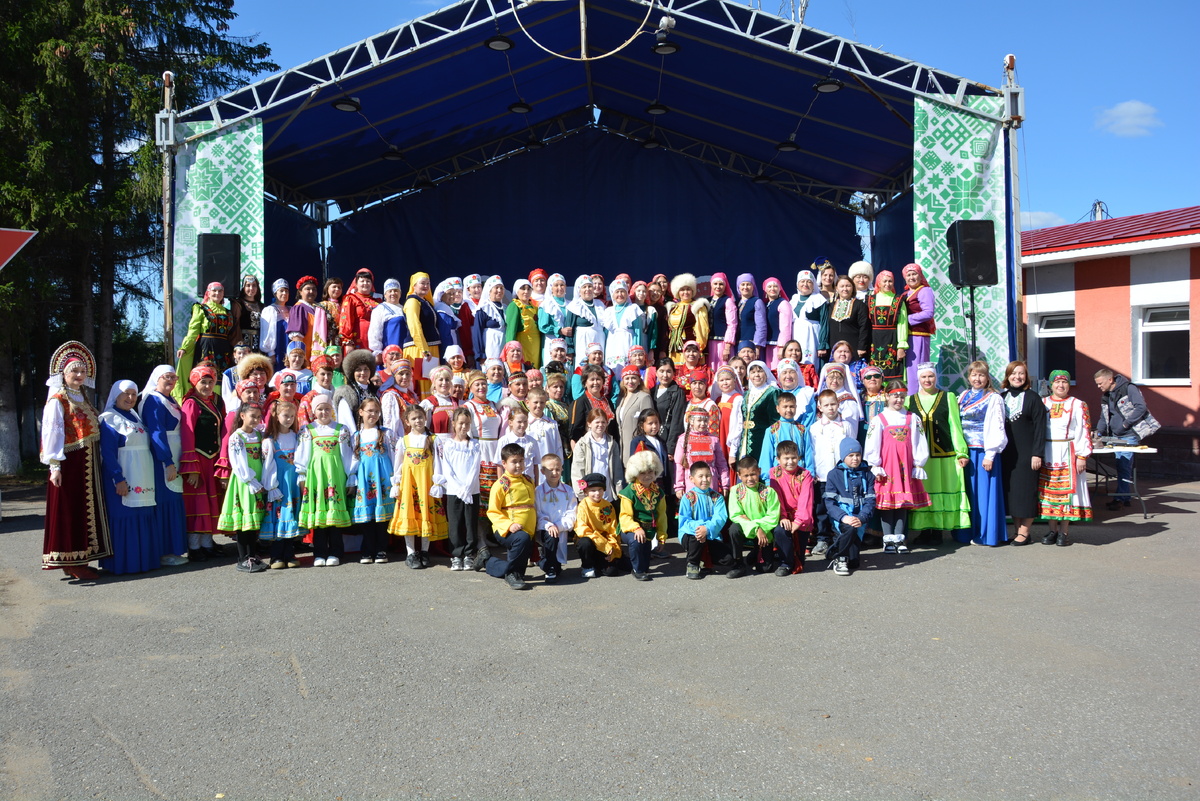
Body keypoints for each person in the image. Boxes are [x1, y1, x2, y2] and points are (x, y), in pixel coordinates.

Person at [40, 342, 112, 579]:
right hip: (70, 463)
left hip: (87, 463)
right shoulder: (58, 400)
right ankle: (72, 560)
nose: (79, 375)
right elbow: (52, 434)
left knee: (83, 510)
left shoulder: (82, 396)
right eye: (75, 371)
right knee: (71, 509)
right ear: (63, 373)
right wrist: (55, 466)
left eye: (83, 371)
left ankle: (79, 559)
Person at [97, 380, 158, 575]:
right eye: (126, 394)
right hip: (123, 476)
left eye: (133, 394)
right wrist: (118, 478)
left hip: (143, 475)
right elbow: (108, 453)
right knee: (124, 517)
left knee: (142, 515)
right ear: (116, 395)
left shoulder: (135, 416)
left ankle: (143, 562)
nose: (131, 398)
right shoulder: (109, 418)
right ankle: (124, 564)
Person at [906, 363, 970, 544]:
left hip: (944, 456)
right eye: (924, 377)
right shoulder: (909, 401)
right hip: (920, 458)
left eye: (931, 376)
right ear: (918, 379)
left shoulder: (948, 397)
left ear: (936, 377)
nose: (927, 380)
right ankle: (925, 531)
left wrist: (961, 452)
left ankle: (938, 531)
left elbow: (954, 426)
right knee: (924, 491)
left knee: (940, 491)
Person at [864, 382, 930, 554]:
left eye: (902, 396)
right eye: (895, 396)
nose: (899, 400)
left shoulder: (912, 418)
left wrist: (918, 463)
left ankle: (900, 538)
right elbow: (872, 443)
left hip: (905, 467)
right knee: (887, 504)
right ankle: (888, 539)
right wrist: (875, 465)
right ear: (887, 396)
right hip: (887, 468)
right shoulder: (879, 419)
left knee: (902, 503)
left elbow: (919, 441)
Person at [138, 366, 189, 566]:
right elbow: (157, 433)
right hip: (163, 458)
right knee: (166, 501)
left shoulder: (169, 400)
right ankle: (165, 552)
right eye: (167, 377)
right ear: (157, 378)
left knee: (174, 500)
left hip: (174, 453)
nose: (171, 380)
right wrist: (167, 461)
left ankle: (174, 549)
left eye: (174, 377)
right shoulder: (153, 400)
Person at [296, 394, 356, 566]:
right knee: (319, 516)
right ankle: (320, 553)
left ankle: (335, 552)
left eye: (327, 409)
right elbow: (303, 455)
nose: (324, 412)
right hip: (316, 477)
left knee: (333, 515)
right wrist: (302, 477)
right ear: (314, 411)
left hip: (335, 477)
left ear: (332, 410)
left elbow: (347, 456)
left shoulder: (341, 430)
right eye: (320, 409)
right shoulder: (308, 430)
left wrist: (350, 477)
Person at [217, 402, 272, 573]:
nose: (256, 420)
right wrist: (252, 482)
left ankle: (252, 556)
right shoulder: (237, 437)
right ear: (242, 416)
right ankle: (243, 558)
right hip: (245, 482)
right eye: (252, 416)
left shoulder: (258, 435)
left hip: (258, 480)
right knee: (244, 522)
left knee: (253, 523)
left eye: (258, 417)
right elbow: (238, 463)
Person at [958, 361, 1009, 546]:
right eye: (974, 375)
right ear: (969, 377)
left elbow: (997, 426)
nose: (977, 379)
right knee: (968, 493)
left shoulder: (993, 398)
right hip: (966, 452)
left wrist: (990, 454)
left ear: (987, 378)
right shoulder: (963, 395)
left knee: (984, 494)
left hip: (983, 452)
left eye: (981, 375)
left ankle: (986, 533)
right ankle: (967, 532)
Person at [389, 405, 447, 567]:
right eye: (414, 418)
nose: (418, 421)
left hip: (426, 484)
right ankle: (411, 553)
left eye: (420, 417)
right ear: (407, 421)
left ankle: (424, 551)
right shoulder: (403, 441)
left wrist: (437, 483)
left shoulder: (434, 439)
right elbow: (398, 464)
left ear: (425, 418)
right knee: (410, 515)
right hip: (409, 485)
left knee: (426, 515)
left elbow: (438, 462)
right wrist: (396, 483)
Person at [1039, 370, 1092, 544]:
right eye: (1057, 382)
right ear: (1051, 385)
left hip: (1068, 452)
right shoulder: (1043, 403)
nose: (1060, 385)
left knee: (1068, 493)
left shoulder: (1077, 404)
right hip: (1047, 451)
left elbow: (1083, 430)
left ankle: (1064, 532)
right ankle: (1052, 530)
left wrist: (1082, 456)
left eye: (1064, 382)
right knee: (1048, 493)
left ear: (1069, 385)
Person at [180, 364, 226, 561]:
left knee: (209, 501)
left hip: (212, 459)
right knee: (197, 503)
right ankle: (194, 546)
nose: (207, 386)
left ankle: (207, 543)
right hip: (198, 459)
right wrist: (191, 466)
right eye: (203, 382)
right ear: (194, 383)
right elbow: (187, 434)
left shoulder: (215, 401)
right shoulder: (191, 403)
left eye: (210, 382)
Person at [999, 361, 1046, 545]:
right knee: (1013, 495)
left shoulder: (1033, 398)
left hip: (1027, 455)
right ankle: (1017, 531)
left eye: (1021, 373)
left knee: (1026, 493)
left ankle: (1025, 532)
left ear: (1026, 377)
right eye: (1013, 373)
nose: (1017, 377)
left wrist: (1037, 453)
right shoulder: (1001, 397)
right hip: (1007, 455)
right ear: (1008, 376)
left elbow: (1040, 428)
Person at [1093, 367, 1153, 511]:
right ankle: (1125, 497)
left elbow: (1141, 407)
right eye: (1097, 384)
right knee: (1121, 467)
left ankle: (1120, 498)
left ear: (1110, 379)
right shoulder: (1106, 395)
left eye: (1100, 383)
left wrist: (1126, 423)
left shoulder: (1129, 388)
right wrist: (1098, 432)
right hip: (1115, 436)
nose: (1098, 386)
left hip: (1129, 435)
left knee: (1124, 466)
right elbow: (1104, 417)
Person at [434, 408, 482, 571]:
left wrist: (467, 488)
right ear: (454, 424)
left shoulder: (475, 444)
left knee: (470, 523)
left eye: (467, 423)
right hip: (454, 490)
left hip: (472, 490)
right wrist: (460, 488)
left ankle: (469, 554)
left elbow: (475, 468)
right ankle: (456, 555)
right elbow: (447, 469)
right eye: (461, 423)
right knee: (455, 524)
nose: (464, 427)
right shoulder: (449, 445)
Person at [484, 443, 538, 589]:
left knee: (520, 559)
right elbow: (492, 511)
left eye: (521, 461)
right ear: (504, 463)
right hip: (507, 530)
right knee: (522, 539)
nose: (518, 465)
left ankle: (487, 561)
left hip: (528, 530)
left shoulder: (529, 480)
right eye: (514, 462)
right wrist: (509, 525)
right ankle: (512, 575)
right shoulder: (501, 484)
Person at [808, 388, 855, 556]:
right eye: (826, 405)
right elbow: (812, 451)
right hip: (822, 475)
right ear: (820, 407)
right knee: (821, 508)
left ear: (838, 404)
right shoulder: (814, 428)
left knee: (841, 505)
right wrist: (813, 471)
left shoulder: (846, 426)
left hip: (842, 475)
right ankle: (822, 538)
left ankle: (840, 535)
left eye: (833, 404)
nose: (830, 408)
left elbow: (851, 448)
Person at [350, 396, 396, 564]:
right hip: (365, 479)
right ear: (361, 412)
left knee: (381, 516)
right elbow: (353, 459)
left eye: (377, 411)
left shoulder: (385, 433)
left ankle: (381, 549)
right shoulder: (356, 436)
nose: (373, 414)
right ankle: (367, 549)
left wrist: (396, 480)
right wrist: (351, 479)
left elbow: (394, 456)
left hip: (382, 477)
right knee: (367, 515)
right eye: (370, 411)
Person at [823, 438, 876, 576]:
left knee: (854, 563)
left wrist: (862, 517)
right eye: (851, 455)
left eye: (858, 455)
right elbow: (829, 503)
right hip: (842, 517)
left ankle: (834, 549)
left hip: (859, 517)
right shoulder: (833, 474)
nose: (855, 458)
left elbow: (871, 501)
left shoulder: (868, 474)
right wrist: (843, 517)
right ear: (843, 457)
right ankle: (839, 558)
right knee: (849, 529)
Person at [175, 282, 236, 397]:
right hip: (207, 347)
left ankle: (220, 403)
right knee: (206, 376)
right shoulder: (201, 308)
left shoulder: (228, 312)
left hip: (224, 349)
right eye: (214, 291)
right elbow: (193, 330)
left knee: (222, 378)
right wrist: (185, 347)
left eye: (220, 291)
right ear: (208, 292)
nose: (217, 293)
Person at [261, 400, 302, 569]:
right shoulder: (270, 441)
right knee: (280, 516)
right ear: (276, 416)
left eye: (292, 416)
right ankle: (276, 555)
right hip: (279, 484)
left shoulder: (296, 437)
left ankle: (289, 553)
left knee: (291, 515)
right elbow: (268, 466)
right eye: (285, 415)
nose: (289, 419)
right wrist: (271, 486)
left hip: (293, 483)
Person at [725, 457, 783, 578]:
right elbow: (735, 515)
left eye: (753, 474)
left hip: (765, 532)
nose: (750, 479)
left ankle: (756, 552)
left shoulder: (768, 491)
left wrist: (760, 528)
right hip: (748, 529)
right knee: (734, 529)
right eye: (746, 475)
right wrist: (756, 528)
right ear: (739, 475)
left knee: (765, 568)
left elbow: (773, 516)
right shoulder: (735, 491)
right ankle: (738, 564)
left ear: (759, 471)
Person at [617, 450, 668, 581]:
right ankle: (636, 571)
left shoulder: (659, 492)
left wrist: (661, 537)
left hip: (649, 530)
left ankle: (631, 564)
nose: (647, 476)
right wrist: (636, 528)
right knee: (637, 543)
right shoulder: (628, 492)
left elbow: (661, 516)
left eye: (650, 471)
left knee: (645, 565)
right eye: (642, 473)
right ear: (635, 473)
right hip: (630, 529)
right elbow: (625, 516)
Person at [677, 461, 732, 580]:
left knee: (728, 559)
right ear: (692, 479)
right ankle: (692, 563)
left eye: (707, 476)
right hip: (692, 534)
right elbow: (685, 521)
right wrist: (701, 528)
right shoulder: (688, 497)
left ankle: (704, 560)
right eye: (700, 476)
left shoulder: (717, 497)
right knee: (696, 536)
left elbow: (720, 518)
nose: (705, 479)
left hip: (711, 534)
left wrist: (707, 529)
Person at [766, 439, 814, 576]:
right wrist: (782, 516)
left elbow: (806, 500)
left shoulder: (805, 475)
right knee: (780, 531)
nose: (790, 461)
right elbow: (776, 497)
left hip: (802, 517)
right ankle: (785, 563)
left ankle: (793, 557)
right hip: (784, 515)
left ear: (799, 457)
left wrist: (798, 521)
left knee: (799, 559)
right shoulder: (774, 473)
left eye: (794, 458)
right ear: (778, 459)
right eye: (786, 458)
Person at [534, 453, 576, 582]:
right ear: (543, 471)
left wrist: (558, 525)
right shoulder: (538, 491)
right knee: (551, 538)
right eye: (550, 469)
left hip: (560, 529)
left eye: (557, 469)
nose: (554, 473)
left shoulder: (568, 490)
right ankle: (549, 568)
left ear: (562, 469)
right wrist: (548, 525)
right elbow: (538, 513)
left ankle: (545, 562)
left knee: (558, 568)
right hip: (545, 530)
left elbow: (571, 513)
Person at [574, 472, 622, 579]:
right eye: (593, 490)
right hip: (591, 541)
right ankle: (587, 566)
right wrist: (603, 545)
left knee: (612, 571)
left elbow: (613, 529)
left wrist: (612, 548)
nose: (597, 493)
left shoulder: (608, 506)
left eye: (600, 489)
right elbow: (582, 529)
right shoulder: (583, 506)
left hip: (605, 542)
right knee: (584, 542)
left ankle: (600, 563)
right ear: (586, 491)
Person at [673, 407, 729, 497]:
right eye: (699, 420)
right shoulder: (683, 439)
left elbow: (721, 464)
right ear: (691, 421)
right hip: (691, 485)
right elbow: (678, 465)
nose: (703, 424)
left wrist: (725, 484)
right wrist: (679, 487)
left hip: (711, 484)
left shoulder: (714, 440)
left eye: (705, 421)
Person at [401, 272, 442, 394]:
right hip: (418, 348)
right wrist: (424, 349)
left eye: (428, 283)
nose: (425, 286)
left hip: (429, 347)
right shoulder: (413, 301)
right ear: (414, 285)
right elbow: (414, 326)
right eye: (422, 283)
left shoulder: (425, 301)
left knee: (431, 381)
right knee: (422, 382)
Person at [570, 408, 623, 500]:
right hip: (589, 493)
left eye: (603, 422)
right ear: (589, 424)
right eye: (597, 422)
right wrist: (581, 494)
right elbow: (577, 470)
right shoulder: (582, 444)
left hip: (608, 492)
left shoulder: (612, 443)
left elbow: (617, 469)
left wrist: (619, 491)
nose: (600, 425)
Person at [867, 270, 909, 383]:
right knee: (874, 373)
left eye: (890, 281)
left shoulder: (898, 300)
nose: (887, 284)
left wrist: (901, 346)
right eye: (884, 281)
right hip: (874, 340)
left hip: (892, 339)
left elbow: (902, 324)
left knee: (893, 373)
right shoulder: (870, 299)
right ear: (878, 283)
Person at [900, 263, 936, 392]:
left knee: (917, 369)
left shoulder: (924, 291)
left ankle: (916, 397)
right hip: (906, 336)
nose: (911, 277)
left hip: (918, 335)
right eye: (908, 275)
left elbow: (928, 312)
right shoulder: (906, 294)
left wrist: (906, 320)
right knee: (908, 371)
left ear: (920, 276)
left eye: (914, 274)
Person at [737, 360, 778, 462]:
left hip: (763, 439)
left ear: (766, 374)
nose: (756, 375)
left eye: (760, 371)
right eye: (753, 372)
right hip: (745, 440)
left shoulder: (773, 392)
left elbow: (775, 419)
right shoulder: (746, 394)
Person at [286, 275, 332, 364]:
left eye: (314, 289)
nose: (311, 292)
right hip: (307, 356)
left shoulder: (318, 308)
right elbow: (297, 337)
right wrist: (300, 359)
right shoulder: (299, 308)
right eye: (308, 289)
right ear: (300, 292)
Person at [600, 279, 645, 369]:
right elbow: (605, 333)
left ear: (627, 293)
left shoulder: (633, 309)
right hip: (612, 346)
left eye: (622, 291)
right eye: (617, 292)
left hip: (628, 343)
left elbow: (638, 332)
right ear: (612, 294)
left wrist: (636, 352)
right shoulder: (608, 311)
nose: (620, 294)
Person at [666, 273, 709, 366]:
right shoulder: (672, 307)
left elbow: (703, 329)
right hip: (673, 349)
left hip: (690, 350)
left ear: (692, 291)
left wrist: (699, 348)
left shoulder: (697, 306)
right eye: (682, 289)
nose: (685, 292)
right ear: (678, 292)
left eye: (688, 289)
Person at [615, 364, 655, 463]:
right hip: (622, 449)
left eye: (633, 378)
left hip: (638, 448)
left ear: (639, 380)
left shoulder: (644, 397)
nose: (630, 381)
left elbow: (649, 425)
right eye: (627, 378)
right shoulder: (621, 398)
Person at [825, 276, 870, 361]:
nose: (845, 289)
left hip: (854, 346)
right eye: (842, 286)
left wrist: (862, 347)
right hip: (834, 346)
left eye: (848, 286)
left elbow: (864, 327)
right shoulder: (830, 306)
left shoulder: (860, 305)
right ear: (836, 288)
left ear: (853, 288)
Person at [564, 274, 605, 367]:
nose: (587, 289)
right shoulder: (574, 306)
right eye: (584, 287)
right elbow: (569, 329)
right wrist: (570, 350)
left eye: (590, 286)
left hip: (600, 340)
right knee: (584, 367)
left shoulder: (600, 304)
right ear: (579, 290)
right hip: (583, 341)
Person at [496, 409, 541, 485]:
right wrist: (501, 484)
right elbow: (499, 465)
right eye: (519, 422)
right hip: (511, 483)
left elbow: (535, 465)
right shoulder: (504, 441)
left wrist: (536, 485)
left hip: (528, 483)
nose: (523, 425)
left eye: (525, 421)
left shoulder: (532, 441)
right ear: (510, 422)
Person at [505, 278, 541, 369]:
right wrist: (510, 348)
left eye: (529, 289)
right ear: (517, 291)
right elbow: (511, 329)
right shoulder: (514, 305)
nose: (526, 291)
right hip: (522, 343)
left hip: (535, 345)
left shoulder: (534, 307)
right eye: (523, 289)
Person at [537, 273, 571, 366]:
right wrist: (559, 330)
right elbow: (543, 326)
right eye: (556, 285)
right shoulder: (546, 305)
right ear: (551, 288)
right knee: (551, 369)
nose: (559, 288)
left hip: (567, 344)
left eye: (562, 285)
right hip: (551, 341)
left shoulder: (571, 304)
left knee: (566, 369)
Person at [368, 278, 406, 359]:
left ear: (400, 293)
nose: (393, 293)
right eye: (390, 291)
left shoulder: (404, 308)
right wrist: (377, 351)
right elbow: (374, 331)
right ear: (385, 295)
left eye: (396, 291)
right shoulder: (380, 309)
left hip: (405, 350)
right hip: (390, 352)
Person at [706, 272, 737, 370]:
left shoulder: (728, 301)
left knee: (722, 367)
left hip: (722, 343)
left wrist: (727, 347)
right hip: (708, 342)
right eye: (715, 284)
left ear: (725, 286)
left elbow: (732, 324)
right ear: (711, 285)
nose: (718, 287)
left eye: (721, 284)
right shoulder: (707, 301)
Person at [260, 279, 291, 371]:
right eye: (281, 291)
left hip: (289, 349)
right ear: (275, 293)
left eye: (286, 291)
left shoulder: (291, 309)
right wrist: (271, 353)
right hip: (278, 349)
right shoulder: (270, 310)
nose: (284, 293)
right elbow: (266, 333)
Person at [762, 277, 793, 370]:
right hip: (767, 344)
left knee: (777, 369)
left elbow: (785, 327)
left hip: (777, 345)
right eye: (769, 286)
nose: (772, 289)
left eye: (775, 286)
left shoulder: (783, 303)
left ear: (780, 289)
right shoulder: (766, 304)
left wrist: (782, 347)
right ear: (765, 289)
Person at [230, 275, 263, 351]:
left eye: (254, 285)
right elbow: (235, 326)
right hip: (242, 344)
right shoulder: (238, 304)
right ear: (243, 287)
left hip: (259, 345)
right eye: (248, 285)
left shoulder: (262, 306)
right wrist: (239, 345)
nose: (251, 288)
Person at [316, 276, 344, 355]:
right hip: (329, 344)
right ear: (327, 289)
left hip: (342, 344)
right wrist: (322, 349)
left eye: (339, 287)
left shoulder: (344, 306)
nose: (337, 289)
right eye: (334, 287)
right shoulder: (322, 306)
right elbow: (320, 329)